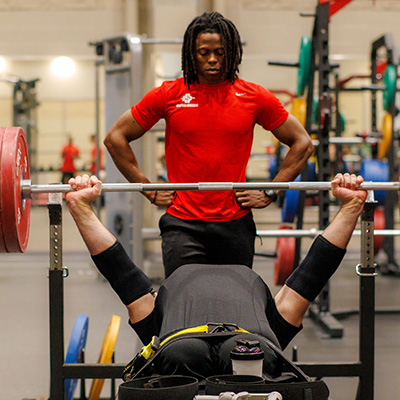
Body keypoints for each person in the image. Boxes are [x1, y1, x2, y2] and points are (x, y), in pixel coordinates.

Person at [66, 173, 367, 380]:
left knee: (189, 356)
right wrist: (351, 206)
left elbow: (122, 272)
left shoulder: (157, 328)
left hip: (181, 350)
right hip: (245, 349)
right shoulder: (273, 327)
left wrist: (80, 206)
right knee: (250, 357)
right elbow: (312, 272)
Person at [104, 11, 314, 278]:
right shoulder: (169, 94)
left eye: (220, 52)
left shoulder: (254, 97)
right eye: (204, 52)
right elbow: (115, 138)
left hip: (235, 224)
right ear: (192, 54)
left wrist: (271, 191)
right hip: (182, 225)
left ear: (233, 52)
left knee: (235, 306)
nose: (213, 59)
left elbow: (303, 143)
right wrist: (146, 187)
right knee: (184, 304)